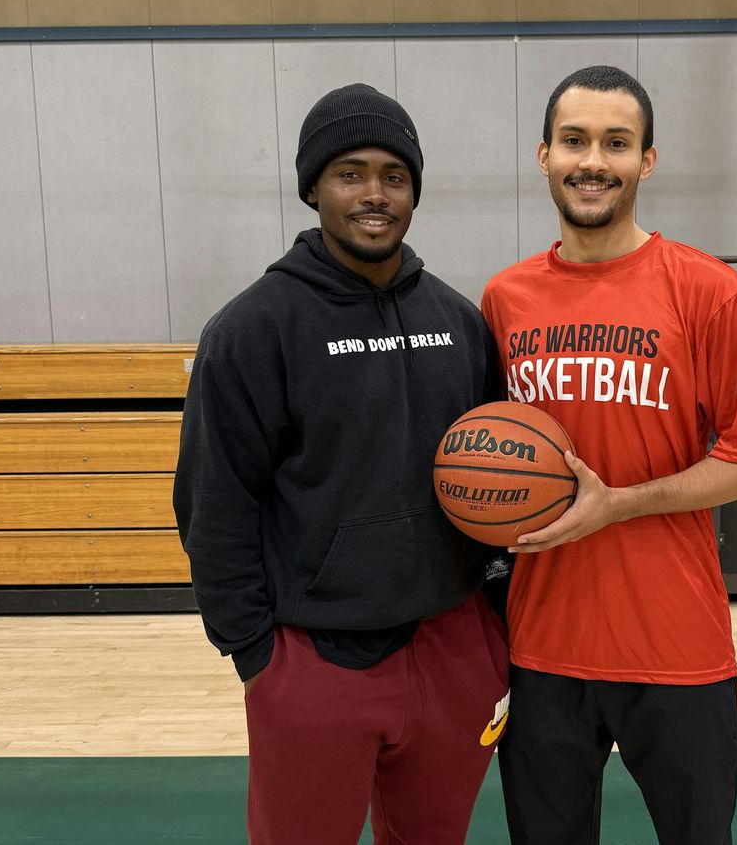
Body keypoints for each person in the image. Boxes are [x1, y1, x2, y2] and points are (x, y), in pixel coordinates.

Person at [173, 83, 509, 845]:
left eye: (394, 176)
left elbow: (495, 487)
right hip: (313, 659)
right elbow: (214, 505)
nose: (375, 194)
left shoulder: (458, 322)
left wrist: (492, 624)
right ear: (313, 188)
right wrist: (256, 656)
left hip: (453, 647)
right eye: (350, 174)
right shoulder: (253, 329)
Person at [480, 65, 737, 845]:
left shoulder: (712, 292)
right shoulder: (504, 299)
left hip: (676, 645)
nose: (593, 161)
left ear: (647, 160)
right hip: (542, 648)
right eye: (574, 141)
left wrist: (620, 504)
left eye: (616, 143)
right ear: (543, 155)